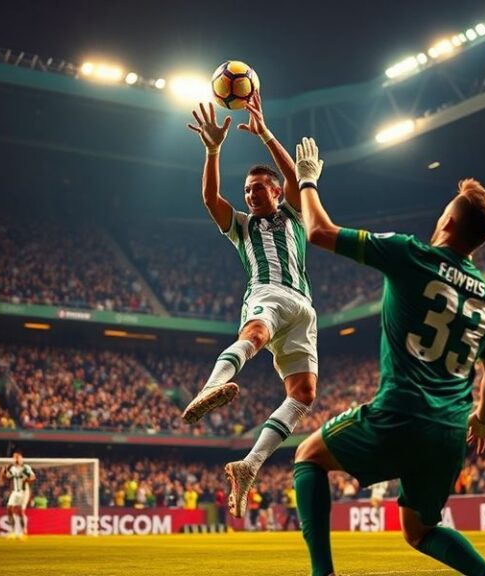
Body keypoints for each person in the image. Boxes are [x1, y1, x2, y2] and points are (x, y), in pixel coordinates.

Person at [292, 137, 485, 576]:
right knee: (420, 530)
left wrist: (307, 180)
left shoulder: (411, 253)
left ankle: (322, 574)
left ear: (447, 220)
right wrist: (482, 417)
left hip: (403, 414)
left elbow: (318, 232)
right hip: (450, 432)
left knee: (308, 456)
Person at [183, 93, 318, 518]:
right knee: (255, 335)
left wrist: (265, 133)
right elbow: (210, 199)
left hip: (304, 308)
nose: (251, 195)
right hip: (267, 294)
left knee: (303, 394)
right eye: (246, 191)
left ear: (275, 192)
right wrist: (212, 150)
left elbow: (298, 180)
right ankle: (210, 387)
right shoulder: (242, 227)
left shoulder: (294, 215)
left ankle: (249, 464)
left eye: (258, 189)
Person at [0, 451, 35, 539]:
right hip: (15, 491)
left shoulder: (25, 468)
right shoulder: (12, 468)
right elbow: (7, 477)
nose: (16, 459)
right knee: (9, 508)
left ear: (21, 458)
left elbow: (33, 477)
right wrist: (2, 472)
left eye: (18, 457)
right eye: (14, 457)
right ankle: (12, 531)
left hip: (24, 491)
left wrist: (25, 481)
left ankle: (24, 531)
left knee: (20, 511)